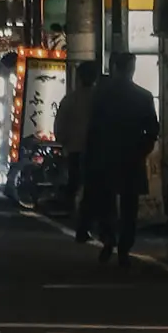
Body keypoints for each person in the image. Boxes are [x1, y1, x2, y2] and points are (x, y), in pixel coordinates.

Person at [82, 53, 159, 264]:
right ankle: (125, 246)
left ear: (115, 67)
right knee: (129, 206)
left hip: (105, 156)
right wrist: (142, 149)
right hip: (132, 157)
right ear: (132, 69)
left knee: (106, 201)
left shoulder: (101, 95)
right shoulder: (143, 96)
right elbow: (152, 129)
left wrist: (90, 156)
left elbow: (93, 130)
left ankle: (108, 240)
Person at [53, 60, 100, 235]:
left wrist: (64, 142)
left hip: (74, 149)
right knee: (94, 186)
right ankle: (92, 223)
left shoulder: (70, 99)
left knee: (76, 183)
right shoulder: (100, 99)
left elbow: (60, 125)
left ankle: (79, 220)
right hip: (97, 150)